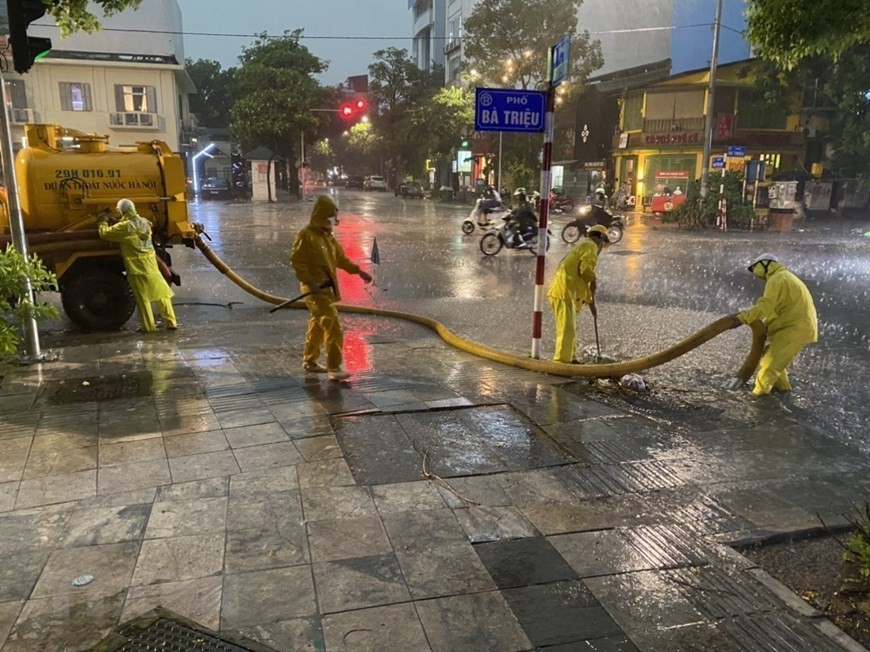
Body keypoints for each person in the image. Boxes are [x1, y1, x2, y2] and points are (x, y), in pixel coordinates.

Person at [290, 195, 372, 381]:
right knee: (332, 324)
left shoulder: (328, 238)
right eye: (329, 217)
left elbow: (340, 259)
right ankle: (334, 368)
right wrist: (310, 283)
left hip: (326, 290)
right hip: (314, 290)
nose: (332, 222)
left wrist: (359, 271)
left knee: (318, 324)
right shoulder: (306, 236)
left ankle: (310, 360)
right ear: (321, 216)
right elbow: (297, 261)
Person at [729, 254, 818, 396]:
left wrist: (743, 318)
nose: (754, 272)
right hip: (794, 327)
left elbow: (766, 306)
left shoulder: (778, 279)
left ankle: (758, 399)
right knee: (771, 359)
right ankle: (783, 391)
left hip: (793, 329)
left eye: (755, 267)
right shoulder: (784, 277)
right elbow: (780, 308)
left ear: (765, 264)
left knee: (769, 366)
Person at [97, 198, 177, 332]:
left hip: (136, 269)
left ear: (121, 211)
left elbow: (105, 234)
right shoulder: (145, 222)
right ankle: (171, 323)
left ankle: (149, 327)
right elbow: (132, 227)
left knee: (143, 299)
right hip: (151, 266)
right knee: (162, 295)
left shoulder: (124, 227)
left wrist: (103, 221)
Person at [547, 224, 610, 363]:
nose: (602, 247)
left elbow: (583, 280)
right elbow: (586, 271)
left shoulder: (585, 246)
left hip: (567, 292)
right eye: (604, 242)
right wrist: (594, 280)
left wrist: (591, 303)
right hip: (564, 291)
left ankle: (571, 358)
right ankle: (561, 363)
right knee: (566, 329)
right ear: (600, 238)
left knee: (571, 328)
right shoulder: (591, 246)